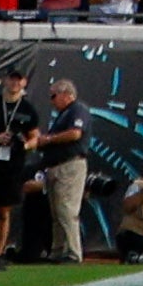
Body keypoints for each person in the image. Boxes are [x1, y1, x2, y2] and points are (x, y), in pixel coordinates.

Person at [33, 79, 96, 263]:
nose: (52, 100)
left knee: (67, 209)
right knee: (56, 212)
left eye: (54, 96)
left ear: (67, 94)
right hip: (55, 166)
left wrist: (50, 139)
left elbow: (76, 133)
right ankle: (57, 250)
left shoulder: (78, 109)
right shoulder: (62, 114)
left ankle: (73, 252)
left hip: (70, 165)